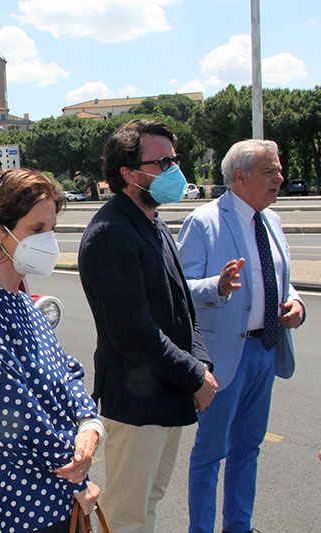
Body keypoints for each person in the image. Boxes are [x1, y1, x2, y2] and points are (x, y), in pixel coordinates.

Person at [0, 168, 104, 533]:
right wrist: (75, 472)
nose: (49, 241)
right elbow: (10, 413)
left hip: (57, 496)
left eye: (52, 229)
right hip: (16, 505)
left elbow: (67, 371)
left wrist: (89, 425)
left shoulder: (21, 301)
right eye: (37, 230)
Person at [78, 119, 217, 533]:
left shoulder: (155, 223)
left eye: (175, 159)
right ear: (128, 173)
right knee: (126, 514)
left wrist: (201, 364)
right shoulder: (111, 233)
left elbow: (182, 308)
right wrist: (194, 376)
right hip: (137, 404)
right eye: (163, 162)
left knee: (149, 500)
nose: (174, 170)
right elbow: (133, 332)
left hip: (166, 394)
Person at [177, 139, 305, 533]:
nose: (280, 178)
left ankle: (238, 525)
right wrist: (218, 286)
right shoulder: (205, 221)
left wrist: (296, 304)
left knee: (248, 447)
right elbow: (180, 288)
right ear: (240, 177)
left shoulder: (273, 221)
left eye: (279, 170)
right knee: (210, 453)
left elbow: (283, 281)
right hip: (224, 357)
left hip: (265, 350)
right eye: (271, 171)